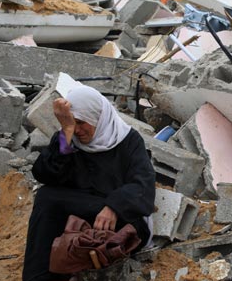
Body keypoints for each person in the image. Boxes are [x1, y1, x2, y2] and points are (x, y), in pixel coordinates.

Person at [22, 85, 156, 281]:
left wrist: (114, 206)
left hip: (121, 217)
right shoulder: (69, 140)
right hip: (81, 212)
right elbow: (45, 174)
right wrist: (65, 134)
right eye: (71, 123)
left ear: (97, 118)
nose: (77, 130)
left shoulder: (128, 140)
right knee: (46, 197)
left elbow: (143, 186)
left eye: (81, 122)